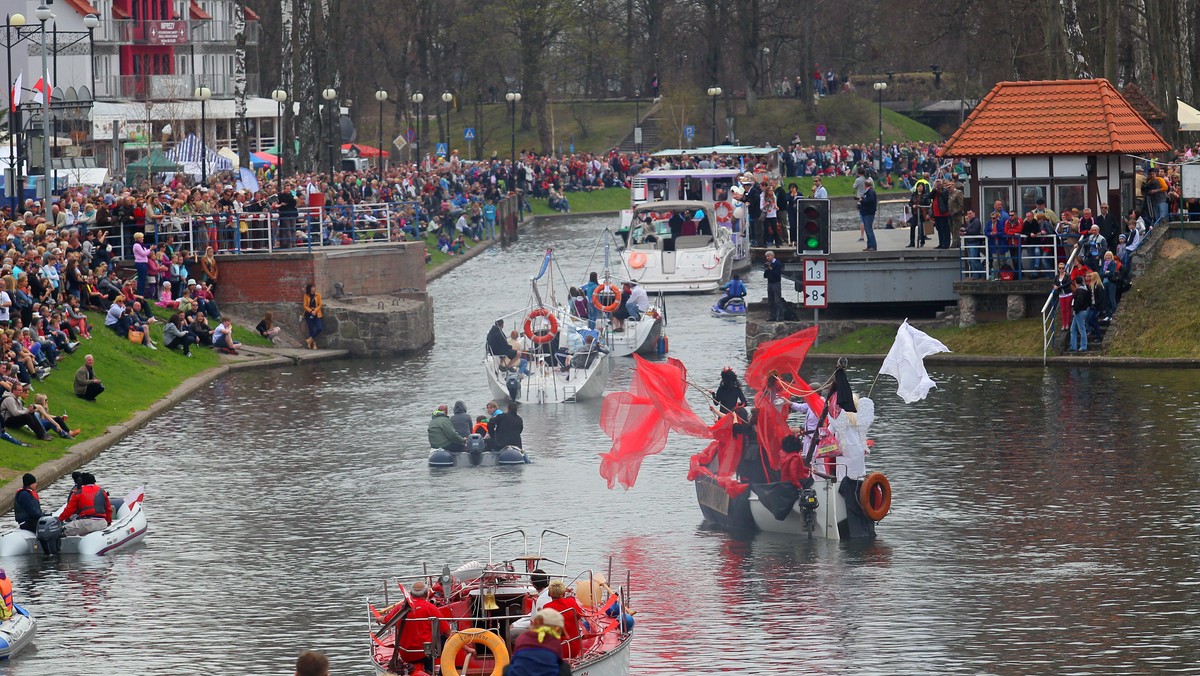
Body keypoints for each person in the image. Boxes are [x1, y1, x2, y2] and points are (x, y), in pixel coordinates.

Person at [397, 580, 451, 673]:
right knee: (446, 640)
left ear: (410, 594)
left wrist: (379, 618)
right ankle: (438, 671)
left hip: (405, 654)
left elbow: (384, 620)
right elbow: (448, 633)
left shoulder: (400, 608)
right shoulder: (431, 608)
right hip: (424, 654)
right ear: (426, 594)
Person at [505, 609, 572, 676]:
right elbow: (558, 660)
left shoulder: (522, 638)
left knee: (507, 668)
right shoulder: (554, 641)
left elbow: (516, 658)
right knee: (564, 667)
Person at [544, 580, 587, 659]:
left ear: (549, 594)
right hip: (574, 648)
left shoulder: (547, 607)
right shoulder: (571, 602)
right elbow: (579, 616)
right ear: (563, 593)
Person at [59, 472, 112, 536]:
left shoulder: (78, 493)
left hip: (86, 524)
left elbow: (69, 510)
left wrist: (59, 520)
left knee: (62, 530)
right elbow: (108, 509)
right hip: (102, 523)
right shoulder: (102, 491)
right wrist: (108, 522)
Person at [859, 178, 878, 251]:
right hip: (866, 212)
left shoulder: (870, 192)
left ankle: (873, 246)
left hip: (868, 213)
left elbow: (870, 200)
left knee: (869, 230)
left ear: (865, 185)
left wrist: (862, 200)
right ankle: (869, 245)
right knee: (867, 230)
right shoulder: (868, 192)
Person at [763, 250, 783, 321]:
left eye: (768, 256)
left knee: (777, 301)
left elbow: (778, 274)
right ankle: (772, 316)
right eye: (766, 257)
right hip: (770, 283)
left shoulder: (777, 263)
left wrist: (771, 268)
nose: (767, 258)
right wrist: (767, 269)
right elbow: (765, 275)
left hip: (776, 283)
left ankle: (780, 317)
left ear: (772, 256)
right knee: (771, 301)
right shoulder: (768, 264)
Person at [302, 284, 323, 350]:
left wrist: (315, 311)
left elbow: (320, 304)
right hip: (308, 314)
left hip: (317, 313)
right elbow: (305, 305)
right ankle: (313, 344)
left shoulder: (318, 295)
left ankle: (309, 340)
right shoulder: (306, 295)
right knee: (311, 329)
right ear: (310, 288)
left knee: (319, 328)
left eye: (314, 287)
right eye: (313, 287)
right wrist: (311, 311)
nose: (314, 288)